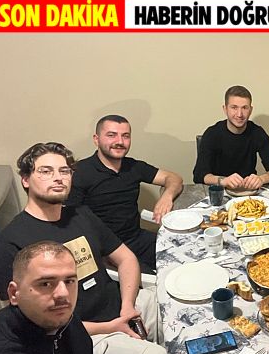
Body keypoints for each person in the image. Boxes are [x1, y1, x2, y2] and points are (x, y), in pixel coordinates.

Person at [0, 142, 167, 354]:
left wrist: (127, 306)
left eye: (64, 171)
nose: (58, 178)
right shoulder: (9, 243)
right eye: (46, 171)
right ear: (26, 180)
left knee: (179, 308)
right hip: (82, 334)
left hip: (122, 305)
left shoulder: (81, 214)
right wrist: (109, 327)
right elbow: (27, 323)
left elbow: (126, 258)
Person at [66, 114, 183, 274]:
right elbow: (70, 224)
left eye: (125, 136)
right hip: (105, 250)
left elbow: (174, 178)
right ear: (96, 139)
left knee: (187, 253)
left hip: (136, 238)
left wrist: (166, 196)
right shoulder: (80, 173)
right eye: (111, 135)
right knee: (160, 279)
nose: (119, 141)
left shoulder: (133, 166)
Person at [0, 241, 92, 354]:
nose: (63, 293)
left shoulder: (59, 315)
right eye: (45, 284)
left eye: (69, 281)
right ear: (14, 293)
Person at [193, 85, 269, 190]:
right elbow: (199, 175)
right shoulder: (212, 134)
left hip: (249, 192)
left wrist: (262, 179)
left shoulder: (257, 132)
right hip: (219, 191)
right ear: (225, 109)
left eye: (244, 108)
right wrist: (222, 180)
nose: (239, 114)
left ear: (250, 110)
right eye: (234, 107)